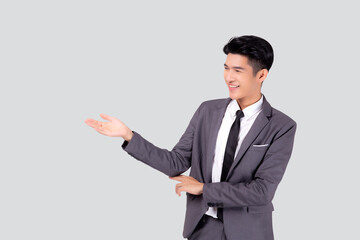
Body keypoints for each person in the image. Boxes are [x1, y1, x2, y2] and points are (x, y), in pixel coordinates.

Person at [84, 35, 297, 240]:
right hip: (203, 227)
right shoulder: (207, 111)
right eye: (226, 68)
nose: (229, 77)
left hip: (249, 232)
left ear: (261, 75)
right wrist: (128, 136)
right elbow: (175, 162)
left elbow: (262, 191)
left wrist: (204, 189)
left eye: (238, 70)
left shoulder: (282, 126)